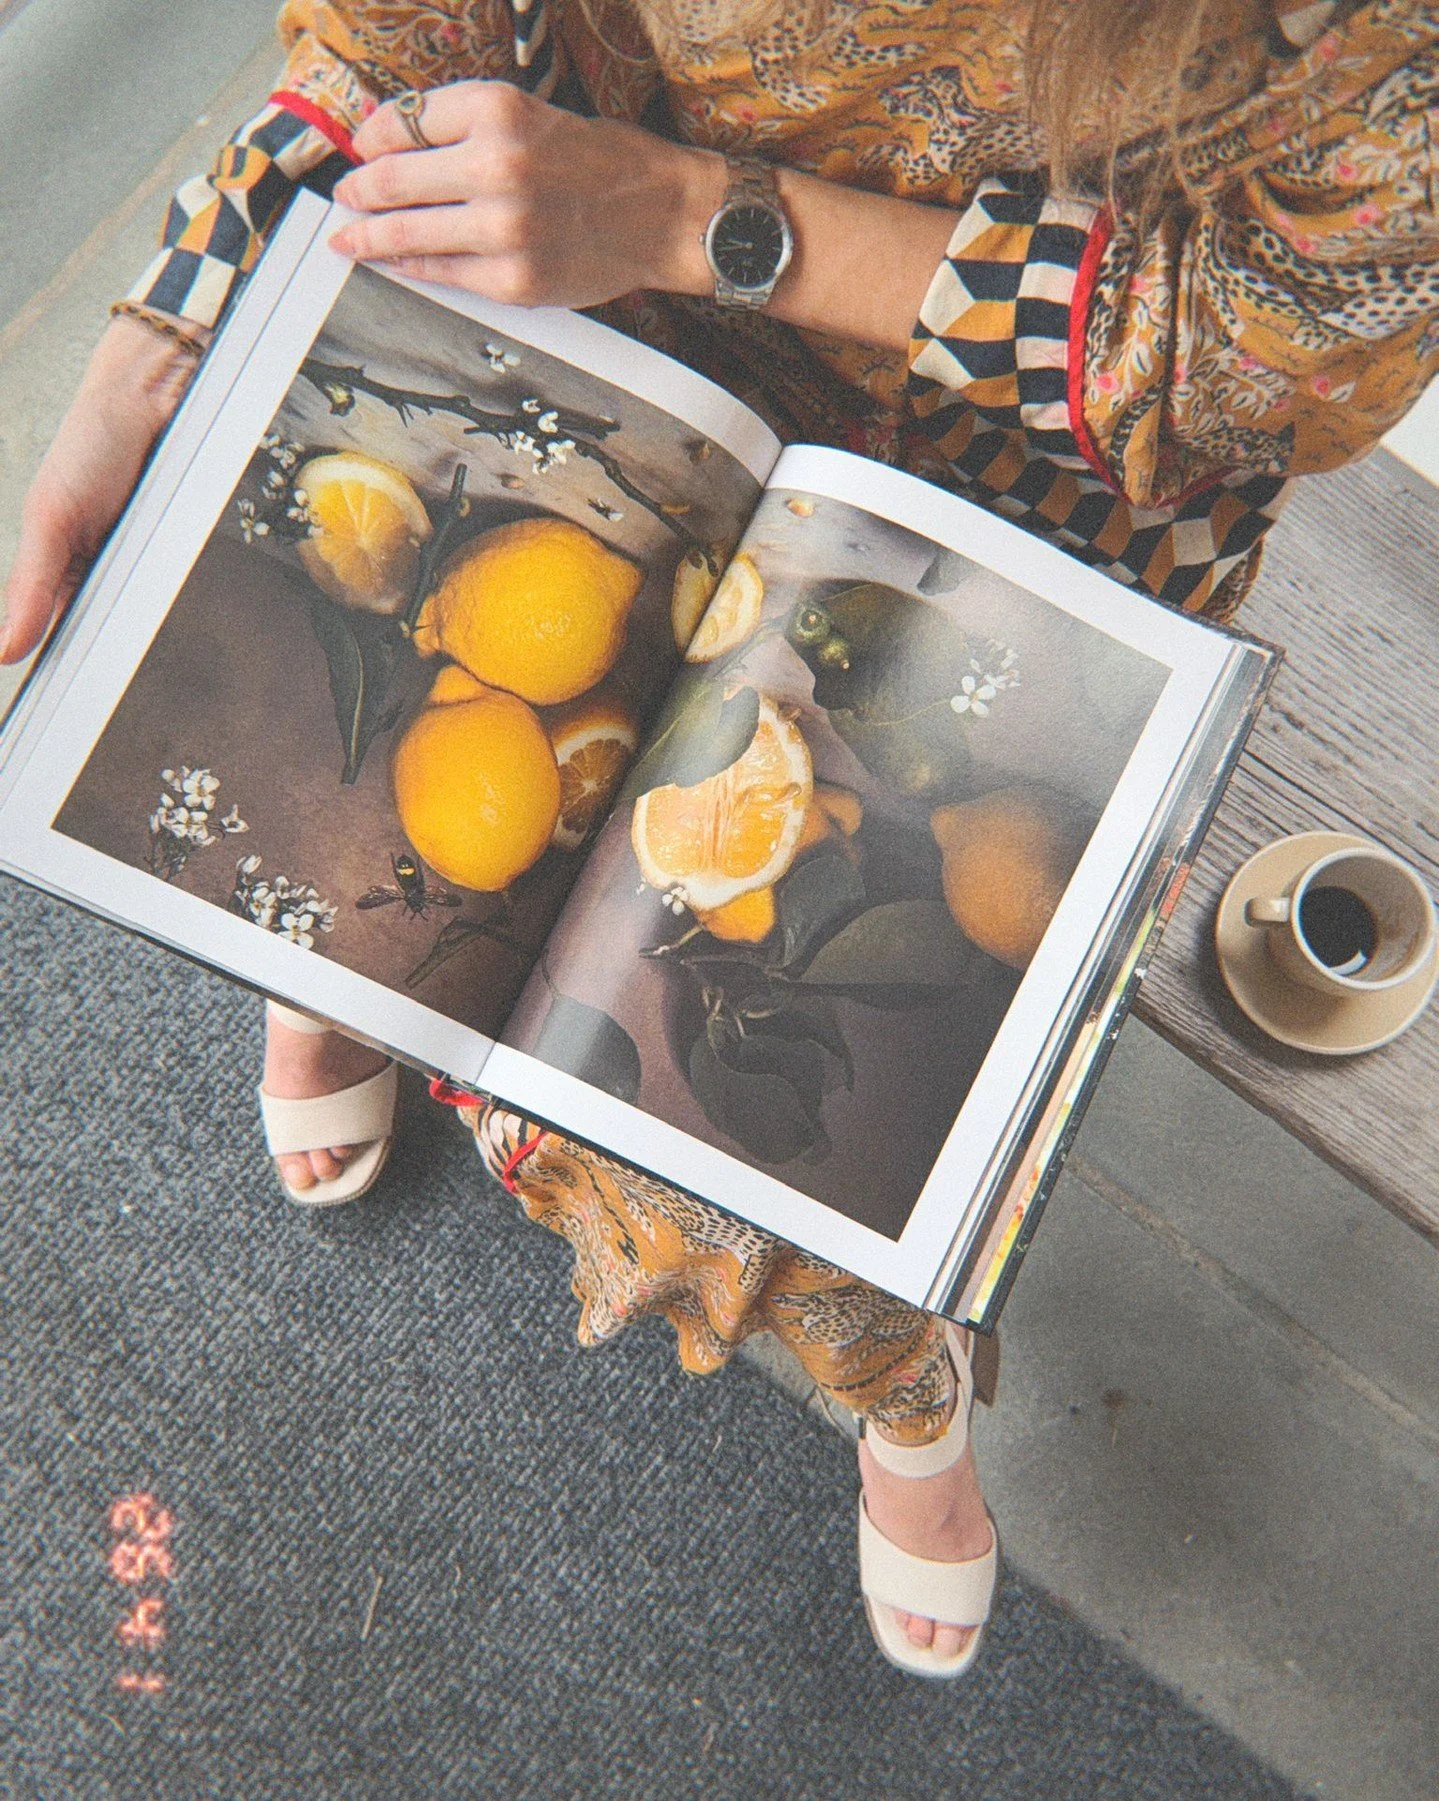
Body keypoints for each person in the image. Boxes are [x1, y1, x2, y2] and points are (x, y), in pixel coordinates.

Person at [5, 0, 1437, 1679]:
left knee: (842, 1092)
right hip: (547, 250)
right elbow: (402, 29)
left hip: (1034, 448)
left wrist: (705, 218)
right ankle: (361, 948)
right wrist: (191, 316)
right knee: (390, 772)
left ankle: (899, 1393)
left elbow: (1251, 343)